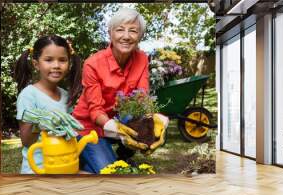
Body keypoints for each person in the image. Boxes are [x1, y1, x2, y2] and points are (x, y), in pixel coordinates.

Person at [72, 8, 169, 174]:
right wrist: (116, 130)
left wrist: (157, 120)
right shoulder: (92, 64)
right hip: (89, 128)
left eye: (133, 31)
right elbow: (95, 110)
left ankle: (120, 155)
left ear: (140, 36)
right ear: (110, 33)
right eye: (120, 29)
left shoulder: (142, 59)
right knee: (112, 171)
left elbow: (142, 97)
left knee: (140, 121)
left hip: (120, 120)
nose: (126, 36)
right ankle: (80, 158)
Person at [13, 35, 81, 174]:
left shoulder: (65, 95)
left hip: (64, 165)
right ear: (36, 64)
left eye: (62, 60)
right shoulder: (29, 95)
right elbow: (26, 141)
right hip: (38, 169)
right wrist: (40, 122)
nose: (56, 65)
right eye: (49, 60)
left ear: (69, 63)